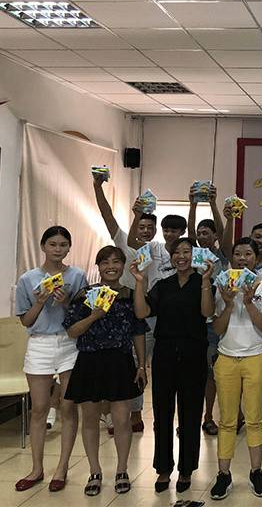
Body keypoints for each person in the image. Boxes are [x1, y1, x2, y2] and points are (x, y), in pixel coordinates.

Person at [63, 247, 148, 496]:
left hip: (120, 362)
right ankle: (94, 471)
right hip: (89, 361)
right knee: (90, 420)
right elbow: (72, 331)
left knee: (121, 420)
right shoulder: (84, 295)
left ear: (123, 266)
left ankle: (122, 470)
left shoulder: (130, 295)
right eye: (105, 262)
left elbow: (138, 332)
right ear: (98, 266)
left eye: (116, 262)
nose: (111, 266)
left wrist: (141, 365)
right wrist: (95, 315)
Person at [131, 237, 212, 493]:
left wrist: (206, 281)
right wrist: (139, 282)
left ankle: (186, 469)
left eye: (187, 252)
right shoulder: (163, 285)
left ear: (195, 256)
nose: (181, 257)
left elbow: (207, 312)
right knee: (162, 413)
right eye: (177, 252)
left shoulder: (203, 282)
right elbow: (142, 313)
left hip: (193, 352)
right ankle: (163, 468)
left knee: (191, 413)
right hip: (164, 353)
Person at [14, 226, 87, 492]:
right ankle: (37, 468)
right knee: (39, 408)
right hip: (40, 344)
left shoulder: (77, 276)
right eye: (53, 244)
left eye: (63, 244)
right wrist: (39, 303)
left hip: (69, 343)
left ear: (69, 247)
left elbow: (83, 315)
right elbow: (26, 321)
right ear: (43, 246)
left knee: (68, 407)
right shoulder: (28, 279)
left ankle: (62, 468)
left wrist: (67, 302)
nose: (58, 249)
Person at [205, 238, 262, 500]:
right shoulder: (222, 285)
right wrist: (228, 303)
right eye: (238, 254)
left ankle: (256, 472)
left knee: (255, 419)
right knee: (227, 420)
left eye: (248, 254)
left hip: (256, 357)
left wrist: (248, 302)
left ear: (256, 258)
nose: (242, 258)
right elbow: (217, 328)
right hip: (226, 357)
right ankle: (223, 474)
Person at [93, 171, 157, 432]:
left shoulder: (159, 252)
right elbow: (107, 215)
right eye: (141, 226)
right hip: (121, 310)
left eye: (150, 228)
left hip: (149, 314)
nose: (145, 231)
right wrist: (97, 186)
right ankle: (117, 412)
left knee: (142, 364)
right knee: (121, 363)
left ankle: (135, 414)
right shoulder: (122, 245)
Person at [187, 184, 233, 437]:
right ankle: (191, 418)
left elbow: (225, 232)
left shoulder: (223, 255)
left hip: (216, 323)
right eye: (200, 233)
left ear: (215, 236)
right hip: (193, 322)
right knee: (194, 373)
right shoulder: (193, 254)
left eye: (207, 233)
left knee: (213, 374)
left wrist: (214, 204)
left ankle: (209, 416)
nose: (202, 236)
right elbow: (189, 231)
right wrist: (193, 203)